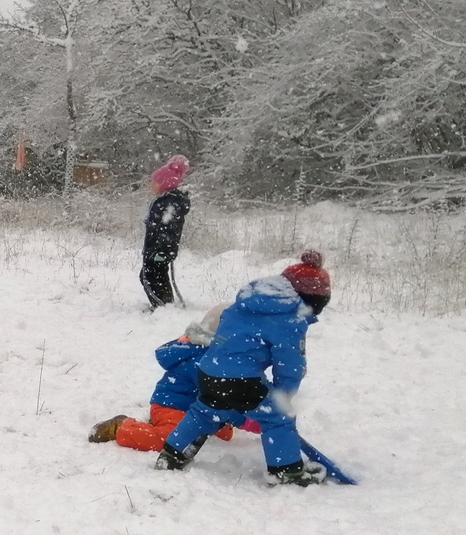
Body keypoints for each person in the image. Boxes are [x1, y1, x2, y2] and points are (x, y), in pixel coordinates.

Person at [154, 252, 333, 485]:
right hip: (241, 379)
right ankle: (286, 471)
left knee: (205, 412)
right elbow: (289, 366)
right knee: (278, 417)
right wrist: (283, 396)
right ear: (312, 301)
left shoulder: (246, 303)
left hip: (209, 370)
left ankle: (172, 454)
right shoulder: (290, 319)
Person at [88, 306, 242, 452]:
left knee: (225, 434)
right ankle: (120, 427)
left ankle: (166, 423)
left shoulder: (220, 358)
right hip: (173, 406)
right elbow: (217, 392)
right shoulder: (201, 360)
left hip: (196, 408)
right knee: (170, 439)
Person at [140, 156, 191, 309]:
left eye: (155, 182)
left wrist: (160, 247)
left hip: (159, 248)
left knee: (151, 276)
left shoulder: (169, 203)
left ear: (165, 183)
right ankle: (164, 304)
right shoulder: (165, 200)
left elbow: (168, 227)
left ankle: (162, 306)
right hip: (157, 248)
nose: (151, 186)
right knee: (155, 275)